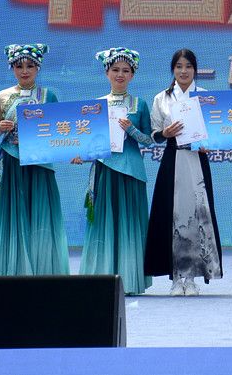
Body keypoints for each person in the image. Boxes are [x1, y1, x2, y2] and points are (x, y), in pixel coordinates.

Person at [144, 49, 222, 297]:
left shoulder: (206, 97)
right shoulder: (162, 98)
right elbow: (154, 133)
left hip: (197, 158)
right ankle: (176, 277)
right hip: (173, 159)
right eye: (179, 66)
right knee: (172, 215)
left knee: (198, 214)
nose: (184, 71)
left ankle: (193, 277)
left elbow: (216, 131)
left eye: (188, 66)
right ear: (173, 69)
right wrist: (165, 133)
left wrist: (209, 143)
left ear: (195, 70)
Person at [0, 43, 69, 275]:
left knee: (41, 213)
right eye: (19, 66)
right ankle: (14, 268)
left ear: (38, 68)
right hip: (11, 162)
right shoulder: (2, 96)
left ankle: (43, 268)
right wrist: (0, 128)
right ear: (12, 68)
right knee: (13, 214)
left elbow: (59, 130)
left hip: (39, 163)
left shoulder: (48, 95)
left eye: (30, 66)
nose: (24, 71)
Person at [75, 48, 152, 295]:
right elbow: (89, 141)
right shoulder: (96, 105)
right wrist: (80, 155)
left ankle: (129, 279)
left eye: (126, 71)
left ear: (132, 75)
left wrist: (131, 130)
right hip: (104, 171)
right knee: (103, 222)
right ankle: (102, 277)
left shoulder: (140, 104)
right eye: (115, 70)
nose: (120, 74)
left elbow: (149, 140)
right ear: (106, 72)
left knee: (129, 223)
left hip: (131, 171)